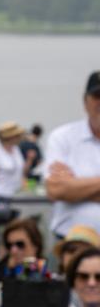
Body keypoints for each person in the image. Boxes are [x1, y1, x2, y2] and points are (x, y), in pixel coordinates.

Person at [45, 71, 100, 237]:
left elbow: (65, 190)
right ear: (85, 101)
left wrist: (76, 188)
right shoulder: (63, 137)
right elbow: (56, 190)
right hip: (70, 245)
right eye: (97, 96)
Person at [0, 121, 27, 200]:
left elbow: (20, 171)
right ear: (11, 137)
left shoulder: (16, 150)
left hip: (15, 195)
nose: (20, 137)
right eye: (18, 135)